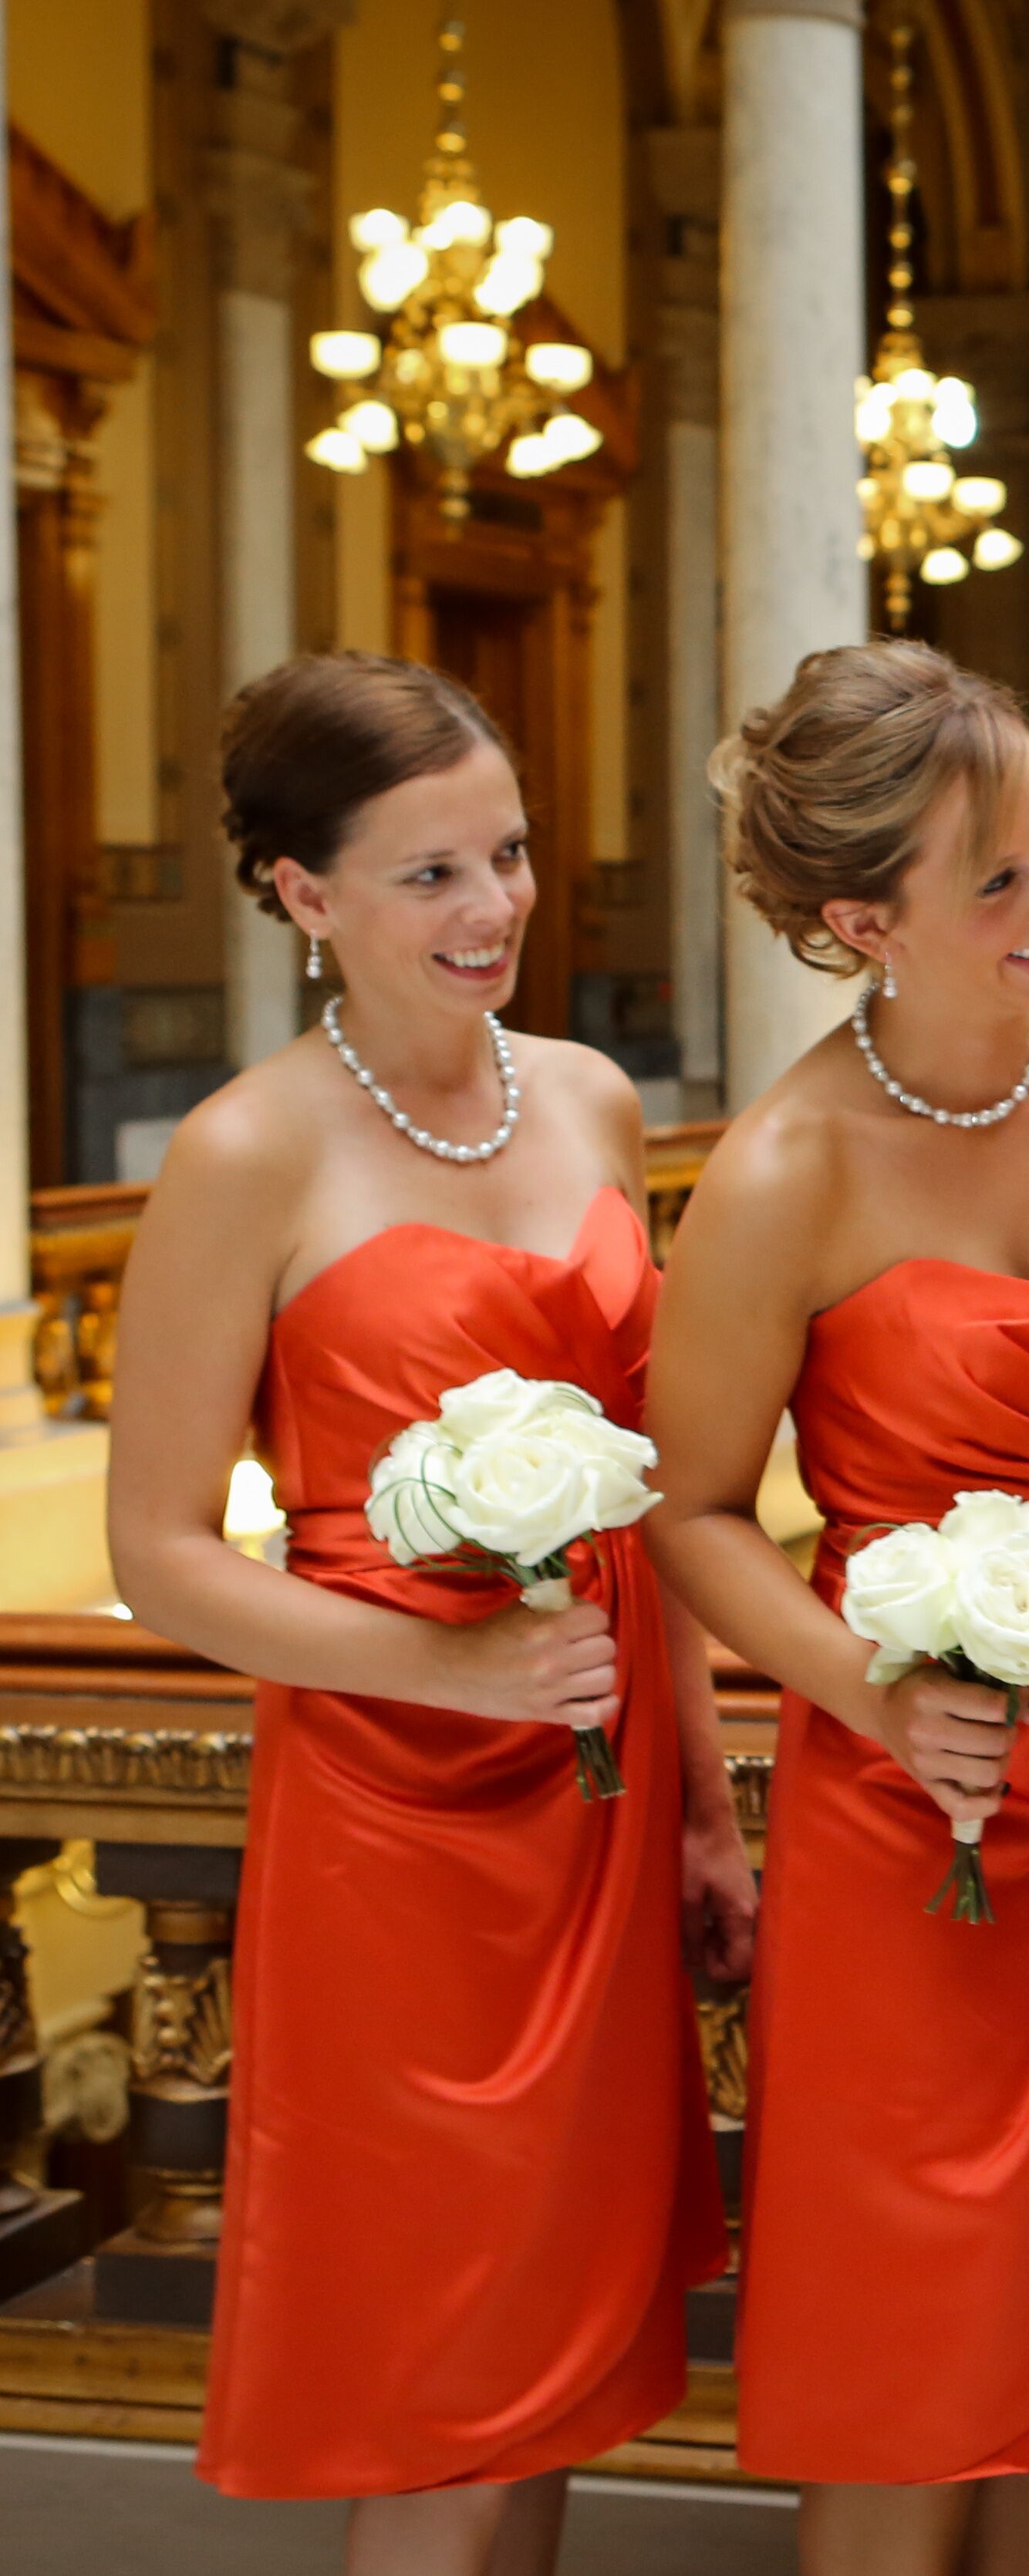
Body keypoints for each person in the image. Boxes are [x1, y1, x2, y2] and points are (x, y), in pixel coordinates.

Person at [107, 652, 747, 2572]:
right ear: (304, 895)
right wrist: (446, 1662)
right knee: (441, 2347)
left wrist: (710, 1808)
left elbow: (653, 1498)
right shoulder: (246, 1154)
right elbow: (160, 1551)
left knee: (554, 2347)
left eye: (512, 855)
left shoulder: (592, 1103)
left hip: (605, 1799)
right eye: (430, 876)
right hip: (396, 1828)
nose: (496, 912)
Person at [643, 643, 1029, 2574]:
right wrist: (871, 1693)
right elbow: (700, 1510)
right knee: (912, 2318)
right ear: (856, 923)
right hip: (914, 1815)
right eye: (1001, 881)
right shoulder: (782, 1176)